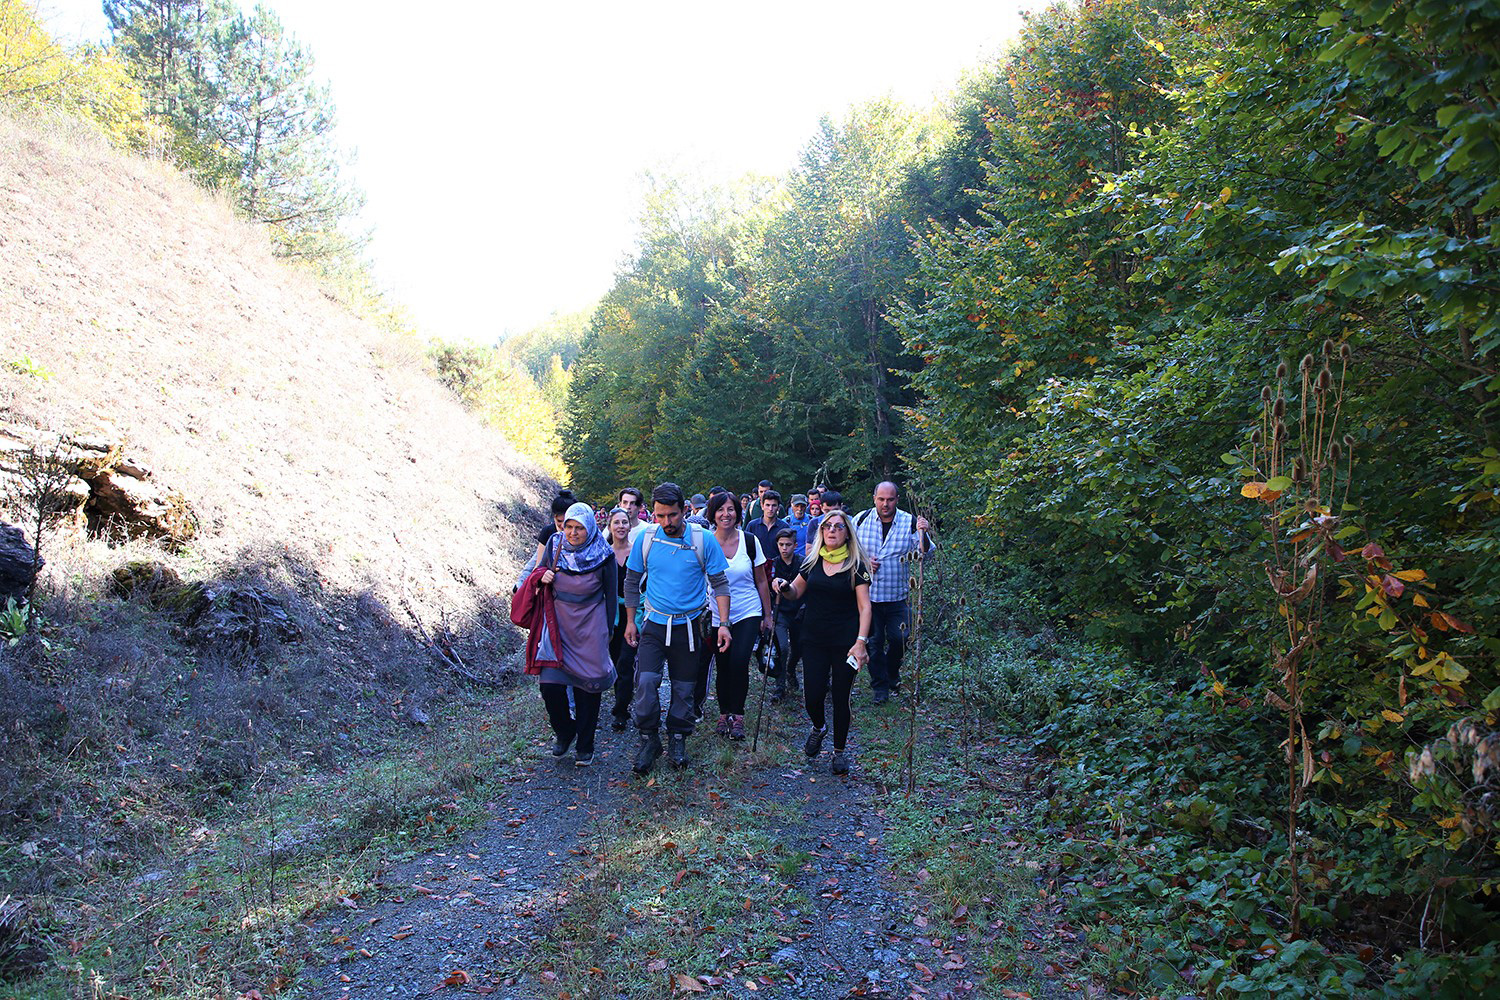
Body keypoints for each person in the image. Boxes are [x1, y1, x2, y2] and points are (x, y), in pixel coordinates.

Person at [624, 483, 732, 773]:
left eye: (672, 515)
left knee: (684, 689)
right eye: (660, 516)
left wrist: (723, 624)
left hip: (689, 627)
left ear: (684, 510)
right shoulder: (647, 539)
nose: (666, 522)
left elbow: (720, 583)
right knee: (646, 683)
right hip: (654, 625)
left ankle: (678, 737)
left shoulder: (703, 540)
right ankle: (649, 738)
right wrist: (630, 621)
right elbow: (632, 582)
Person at [770, 509, 871, 776]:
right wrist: (782, 586)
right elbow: (795, 592)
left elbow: (865, 607)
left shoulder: (856, 565)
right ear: (821, 532)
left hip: (845, 641)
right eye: (828, 527)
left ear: (847, 532)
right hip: (813, 638)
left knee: (840, 696)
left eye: (839, 527)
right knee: (812, 695)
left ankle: (839, 752)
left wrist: (861, 642)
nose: (833, 531)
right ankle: (818, 727)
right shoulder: (812, 562)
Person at [530, 502, 617, 766]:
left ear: (590, 528)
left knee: (587, 686)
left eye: (579, 528)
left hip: (591, 624)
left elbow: (611, 595)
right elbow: (538, 572)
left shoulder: (604, 554)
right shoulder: (555, 546)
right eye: (568, 526)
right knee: (550, 687)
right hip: (558, 625)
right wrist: (542, 575)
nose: (573, 533)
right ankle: (565, 731)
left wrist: (608, 629)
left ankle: (585, 743)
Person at [698, 491, 772, 740]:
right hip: (717, 613)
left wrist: (767, 615)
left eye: (730, 509)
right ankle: (723, 713)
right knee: (723, 664)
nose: (725, 514)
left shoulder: (750, 541)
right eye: (720, 510)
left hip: (747, 610)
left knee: (739, 661)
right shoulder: (706, 542)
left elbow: (761, 579)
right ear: (713, 514)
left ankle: (737, 716)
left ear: (738, 513)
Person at [852, 482, 934, 704]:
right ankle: (880, 688)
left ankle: (891, 671)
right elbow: (846, 551)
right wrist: (863, 562)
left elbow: (926, 554)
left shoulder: (909, 522)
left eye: (890, 499)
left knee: (901, 638)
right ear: (874, 498)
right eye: (881, 499)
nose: (885, 504)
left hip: (898, 596)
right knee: (874, 643)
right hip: (867, 597)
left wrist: (923, 533)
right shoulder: (860, 520)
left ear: (897, 499)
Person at [606, 507, 637, 731]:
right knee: (614, 661)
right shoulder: (603, 554)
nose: (620, 526)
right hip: (608, 616)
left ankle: (621, 710)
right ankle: (619, 699)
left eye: (624, 522)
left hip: (633, 614)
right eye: (616, 522)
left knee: (626, 662)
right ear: (610, 526)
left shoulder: (637, 552)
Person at [768, 527, 804, 703]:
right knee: (782, 647)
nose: (784, 548)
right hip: (780, 612)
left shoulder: (802, 563)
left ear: (795, 545)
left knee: (798, 648)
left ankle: (791, 670)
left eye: (788, 545)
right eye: (781, 544)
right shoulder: (773, 564)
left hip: (799, 611)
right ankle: (779, 686)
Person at [515, 489, 577, 591]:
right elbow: (537, 564)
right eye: (559, 521)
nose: (562, 526)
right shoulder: (549, 531)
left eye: (567, 522)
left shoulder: (577, 535)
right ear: (554, 517)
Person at [746, 489, 789, 581]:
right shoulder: (752, 526)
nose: (770, 509)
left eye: (774, 505)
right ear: (762, 506)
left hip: (778, 571)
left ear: (778, 507)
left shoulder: (784, 527)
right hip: (755, 571)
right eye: (767, 505)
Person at [786, 494, 812, 559]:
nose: (799, 509)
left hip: (808, 559)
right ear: (791, 505)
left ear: (806, 506)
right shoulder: (785, 522)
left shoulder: (812, 521)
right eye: (796, 506)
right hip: (791, 560)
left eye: (802, 506)